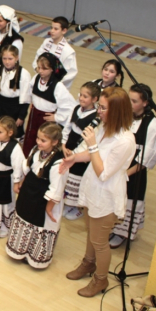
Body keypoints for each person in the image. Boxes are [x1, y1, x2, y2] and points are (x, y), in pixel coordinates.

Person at [61, 87, 135, 297]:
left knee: (100, 241)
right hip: (93, 189)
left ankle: (100, 280)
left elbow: (103, 172)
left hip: (107, 194)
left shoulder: (125, 141)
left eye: (103, 108)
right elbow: (91, 155)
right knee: (92, 234)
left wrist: (92, 145)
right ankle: (88, 264)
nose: (98, 111)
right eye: (100, 106)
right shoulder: (105, 127)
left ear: (117, 111)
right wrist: (74, 158)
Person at [6, 122, 68, 269]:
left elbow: (56, 188)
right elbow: (27, 167)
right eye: (38, 138)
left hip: (43, 198)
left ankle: (35, 257)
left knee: (40, 224)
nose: (38, 142)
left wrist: (49, 208)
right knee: (24, 217)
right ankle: (20, 250)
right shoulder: (36, 150)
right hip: (29, 192)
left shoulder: (58, 162)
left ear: (55, 142)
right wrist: (21, 180)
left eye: (43, 140)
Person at [110, 84, 156, 248]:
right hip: (118, 166)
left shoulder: (151, 124)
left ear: (145, 103)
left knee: (128, 200)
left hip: (134, 172)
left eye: (134, 101)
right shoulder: (125, 116)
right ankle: (112, 226)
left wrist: (125, 174)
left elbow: (147, 158)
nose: (129, 104)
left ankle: (123, 232)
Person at [22, 52, 76, 156]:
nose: (40, 71)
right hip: (34, 116)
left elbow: (69, 106)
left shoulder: (58, 86)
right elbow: (28, 93)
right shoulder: (36, 79)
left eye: (44, 68)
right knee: (30, 139)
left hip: (46, 119)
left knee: (45, 142)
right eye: (38, 68)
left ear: (52, 69)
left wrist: (57, 117)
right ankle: (27, 160)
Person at [62, 82, 101, 220]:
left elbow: (87, 141)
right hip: (69, 147)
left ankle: (75, 206)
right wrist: (63, 144)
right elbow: (67, 127)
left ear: (94, 99)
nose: (81, 98)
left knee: (76, 178)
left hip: (80, 152)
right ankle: (65, 202)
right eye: (81, 94)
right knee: (65, 175)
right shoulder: (76, 108)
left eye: (85, 96)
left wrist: (75, 154)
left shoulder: (96, 117)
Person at [0, 45, 31, 139]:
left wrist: (21, 117)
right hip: (0, 106)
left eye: (10, 58)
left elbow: (26, 99)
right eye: (4, 58)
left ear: (17, 58)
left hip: (15, 108)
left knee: (12, 133)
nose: (7, 62)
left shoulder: (24, 74)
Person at [32, 16, 77, 90]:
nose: (52, 31)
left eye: (56, 29)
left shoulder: (68, 51)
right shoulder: (46, 42)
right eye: (51, 28)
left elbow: (71, 73)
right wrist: (38, 70)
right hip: (41, 80)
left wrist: (55, 82)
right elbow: (37, 58)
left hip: (55, 87)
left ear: (64, 31)